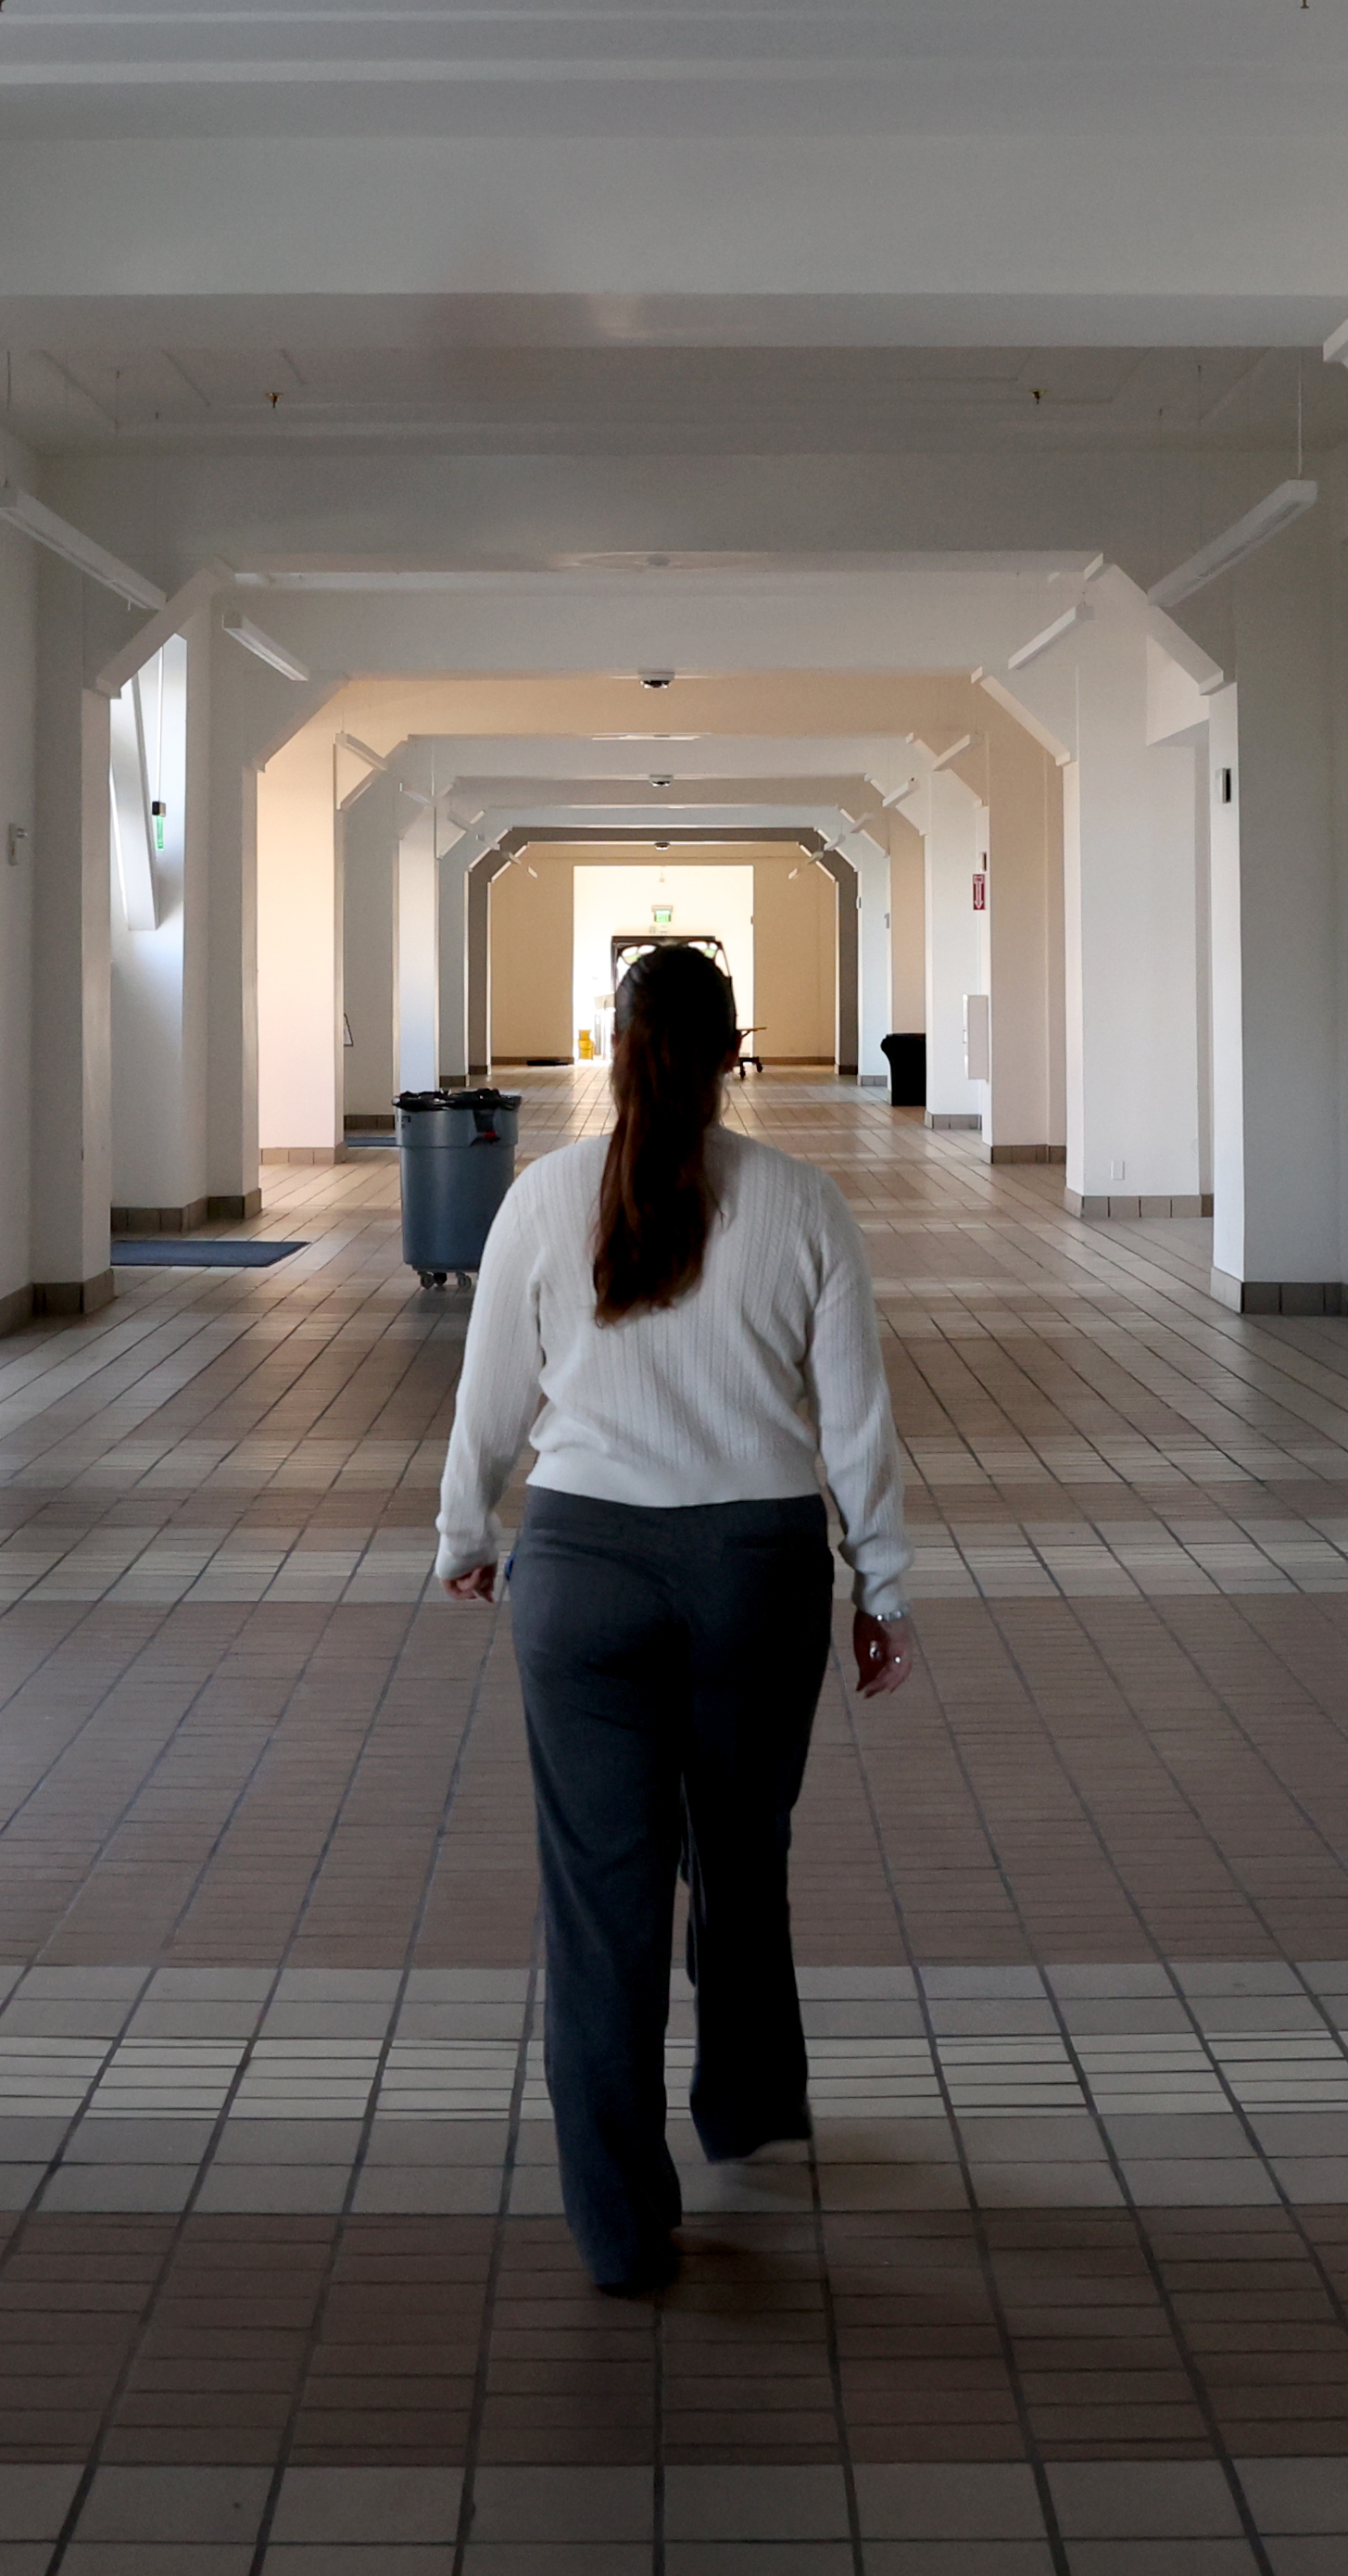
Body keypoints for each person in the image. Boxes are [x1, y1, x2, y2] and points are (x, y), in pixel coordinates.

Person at [434, 941, 911, 2294]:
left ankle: (622, 2228)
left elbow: (490, 1399)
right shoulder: (804, 1206)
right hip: (758, 1574)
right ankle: (743, 2099)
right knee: (743, 1849)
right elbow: (857, 1424)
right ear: (731, 1054)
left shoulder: (540, 1202)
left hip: (581, 1575)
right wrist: (881, 1587)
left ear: (618, 1041)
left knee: (604, 1903)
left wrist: (465, 1534)